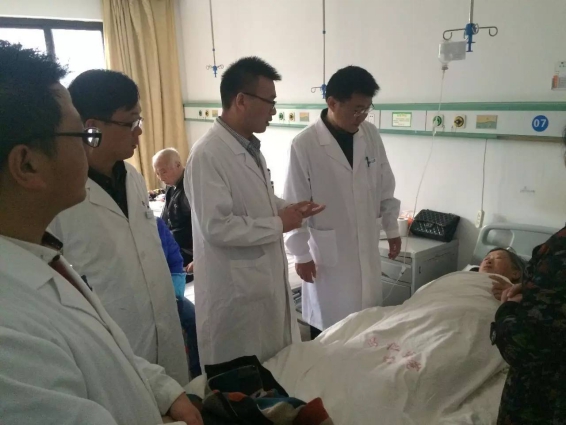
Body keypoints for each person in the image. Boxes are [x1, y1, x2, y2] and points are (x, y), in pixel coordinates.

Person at [0, 40, 202, 425]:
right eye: (79, 136)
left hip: (150, 352)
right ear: (26, 165)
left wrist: (162, 390)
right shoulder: (10, 327)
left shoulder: (42, 257)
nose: (87, 147)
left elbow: (103, 342)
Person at [49, 70, 188, 385]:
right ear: (93, 127)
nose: (139, 131)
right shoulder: (60, 198)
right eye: (131, 122)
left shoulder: (133, 177)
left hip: (164, 331)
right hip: (116, 345)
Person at [185, 56, 325, 366]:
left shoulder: (249, 147)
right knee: (244, 385)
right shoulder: (208, 154)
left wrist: (289, 208)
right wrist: (279, 223)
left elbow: (258, 199)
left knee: (278, 373)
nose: (274, 110)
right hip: (235, 301)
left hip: (261, 290)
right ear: (241, 100)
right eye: (269, 101)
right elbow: (217, 227)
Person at [283, 66, 401, 338]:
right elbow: (294, 203)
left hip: (366, 248)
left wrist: (392, 228)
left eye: (367, 109)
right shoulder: (304, 145)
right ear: (332, 102)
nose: (362, 116)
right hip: (327, 260)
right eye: (356, 109)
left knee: (366, 329)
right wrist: (300, 255)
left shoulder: (370, 135)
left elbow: (385, 185)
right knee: (329, 333)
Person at [490, 131, 566, 424]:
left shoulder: (559, 255)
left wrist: (507, 309)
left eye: (497, 258)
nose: (487, 261)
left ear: (514, 271)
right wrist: (534, 288)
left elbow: (524, 344)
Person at [156, 217, 202, 377]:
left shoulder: (156, 225)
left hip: (167, 292)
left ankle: (197, 372)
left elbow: (175, 260)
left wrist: (175, 294)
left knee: (194, 320)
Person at [153, 148, 194, 274]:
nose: (160, 178)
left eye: (163, 172)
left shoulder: (191, 187)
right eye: (157, 174)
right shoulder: (171, 187)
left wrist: (199, 258)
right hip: (172, 245)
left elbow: (204, 226)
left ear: (178, 164)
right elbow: (164, 220)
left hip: (188, 251)